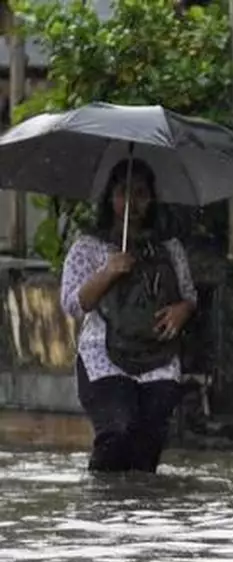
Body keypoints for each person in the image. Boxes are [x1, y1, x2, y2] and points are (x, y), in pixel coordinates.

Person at [60, 159, 197, 473]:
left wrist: (183, 310)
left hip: (160, 361)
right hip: (103, 359)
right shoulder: (88, 247)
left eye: (141, 193)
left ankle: (139, 502)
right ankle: (102, 499)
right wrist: (108, 272)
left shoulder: (170, 248)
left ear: (152, 199)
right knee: (117, 432)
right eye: (124, 192)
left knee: (147, 446)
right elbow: (73, 304)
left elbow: (189, 295)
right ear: (110, 197)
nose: (132, 202)